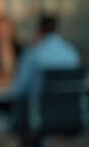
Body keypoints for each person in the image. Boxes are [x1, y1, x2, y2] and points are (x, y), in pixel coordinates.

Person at [11, 15, 80, 146]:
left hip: (40, 117)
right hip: (70, 116)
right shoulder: (71, 52)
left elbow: (17, 89)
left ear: (40, 30)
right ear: (57, 29)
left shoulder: (33, 53)